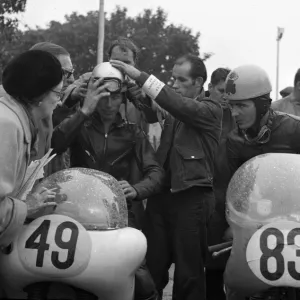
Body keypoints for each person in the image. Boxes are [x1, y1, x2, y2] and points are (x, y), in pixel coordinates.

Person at [111, 54, 222, 300]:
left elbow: (175, 103)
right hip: (162, 200)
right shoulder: (173, 112)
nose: (173, 84)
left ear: (199, 82)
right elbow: (156, 105)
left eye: (181, 80)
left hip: (192, 200)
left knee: (188, 277)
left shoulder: (211, 110)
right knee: (149, 270)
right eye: (172, 79)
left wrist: (138, 75)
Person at [51, 62, 164, 300]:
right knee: (70, 280)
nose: (110, 104)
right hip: (77, 213)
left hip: (120, 214)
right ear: (93, 95)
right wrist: (83, 111)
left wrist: (136, 189)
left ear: (123, 98)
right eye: (103, 97)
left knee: (143, 282)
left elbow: (156, 173)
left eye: (116, 98)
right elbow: (56, 143)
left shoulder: (133, 132)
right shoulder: (79, 125)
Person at [219, 65, 300, 300]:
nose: (235, 113)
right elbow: (227, 187)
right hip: (254, 222)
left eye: (242, 105)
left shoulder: (294, 129)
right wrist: (228, 226)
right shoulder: (234, 140)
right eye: (232, 106)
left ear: (264, 104)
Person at [0, 50, 63, 248]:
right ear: (40, 94)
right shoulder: (7, 125)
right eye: (58, 93)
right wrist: (27, 207)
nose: (59, 101)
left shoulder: (11, 117)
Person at [206, 67, 235, 300]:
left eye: (229, 92)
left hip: (232, 199)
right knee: (209, 264)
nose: (226, 96)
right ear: (210, 89)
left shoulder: (239, 118)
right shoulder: (200, 113)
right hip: (206, 198)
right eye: (221, 90)